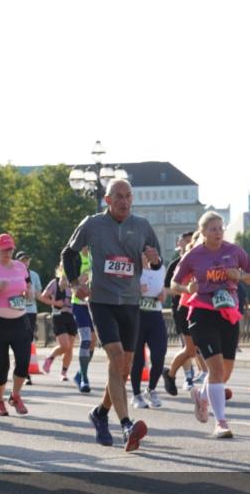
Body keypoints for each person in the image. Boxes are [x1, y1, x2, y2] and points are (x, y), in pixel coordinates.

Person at [61, 179, 161, 452]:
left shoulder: (142, 225)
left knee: (125, 369)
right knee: (116, 357)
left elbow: (157, 259)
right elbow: (68, 254)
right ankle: (127, 424)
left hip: (130, 302)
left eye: (128, 196)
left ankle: (101, 413)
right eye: (118, 196)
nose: (124, 201)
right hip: (101, 300)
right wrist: (74, 283)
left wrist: (154, 258)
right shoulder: (92, 224)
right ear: (107, 199)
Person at [171, 212, 250, 438]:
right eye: (213, 229)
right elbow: (174, 283)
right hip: (201, 313)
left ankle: (201, 395)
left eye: (220, 228)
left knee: (224, 374)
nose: (218, 232)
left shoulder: (234, 251)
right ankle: (220, 422)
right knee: (216, 369)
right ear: (204, 232)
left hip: (228, 312)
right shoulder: (193, 255)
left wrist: (239, 275)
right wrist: (186, 289)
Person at [0, 234, 32, 416]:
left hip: (20, 320)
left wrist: (29, 292)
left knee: (24, 362)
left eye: (10, 249)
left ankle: (15, 396)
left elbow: (27, 284)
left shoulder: (20, 267)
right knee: (2, 365)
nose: (8, 252)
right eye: (4, 250)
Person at [162, 231, 208, 396]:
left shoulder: (212, 259)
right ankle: (172, 374)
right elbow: (170, 287)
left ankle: (211, 382)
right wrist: (186, 288)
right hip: (185, 309)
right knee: (191, 349)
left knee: (202, 347)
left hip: (206, 308)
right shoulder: (183, 262)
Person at [130, 255, 168, 409]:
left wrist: (163, 294)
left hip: (155, 316)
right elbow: (122, 289)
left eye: (151, 254)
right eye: (144, 255)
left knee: (159, 356)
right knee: (138, 360)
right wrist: (136, 290)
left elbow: (164, 288)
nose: (148, 257)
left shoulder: (160, 270)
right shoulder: (132, 272)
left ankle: (151, 389)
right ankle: (136, 395)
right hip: (137, 317)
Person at [40, 267, 76, 381]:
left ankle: (63, 373)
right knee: (65, 346)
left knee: (70, 349)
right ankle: (50, 358)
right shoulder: (54, 283)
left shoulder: (74, 282)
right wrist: (55, 302)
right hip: (58, 316)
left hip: (71, 316)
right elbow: (43, 297)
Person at [70, 246, 95, 393]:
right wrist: (79, 279)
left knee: (92, 341)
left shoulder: (96, 255)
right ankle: (85, 378)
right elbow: (64, 281)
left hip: (94, 304)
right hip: (79, 304)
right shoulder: (74, 257)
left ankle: (80, 373)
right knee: (85, 339)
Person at [15, 251, 41, 384]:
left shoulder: (35, 275)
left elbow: (39, 293)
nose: (25, 262)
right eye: (22, 260)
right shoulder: (13, 273)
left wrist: (33, 292)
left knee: (28, 341)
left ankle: (24, 371)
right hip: (16, 310)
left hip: (31, 310)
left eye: (27, 260)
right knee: (18, 340)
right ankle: (20, 370)